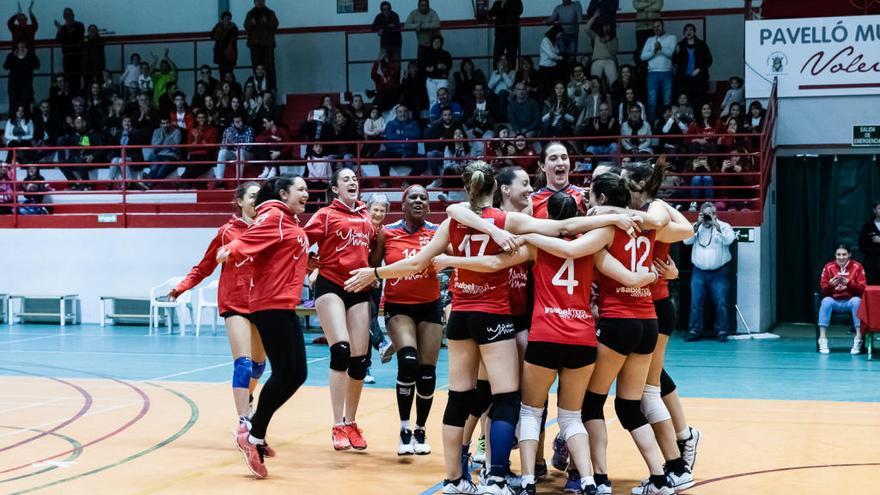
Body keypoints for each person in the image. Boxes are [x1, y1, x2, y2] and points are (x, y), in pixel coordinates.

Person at [435, 190, 657, 495]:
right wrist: (648, 276)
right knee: (572, 416)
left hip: (544, 335)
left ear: (545, 216)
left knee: (529, 411)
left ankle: (527, 481)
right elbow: (628, 277)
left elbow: (490, 264)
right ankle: (590, 482)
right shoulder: (590, 248)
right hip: (581, 338)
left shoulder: (533, 246)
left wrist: (451, 260)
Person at [219, 175, 311, 479]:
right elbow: (251, 236)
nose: (307, 193)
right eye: (301, 189)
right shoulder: (274, 215)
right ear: (283, 194)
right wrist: (233, 247)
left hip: (283, 303)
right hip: (269, 304)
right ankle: (253, 434)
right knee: (286, 373)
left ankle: (255, 430)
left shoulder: (288, 220)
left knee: (297, 374)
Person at [169, 182, 269, 427]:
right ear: (241, 202)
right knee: (243, 364)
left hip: (263, 303)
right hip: (234, 302)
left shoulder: (270, 229)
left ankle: (248, 397)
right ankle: (244, 421)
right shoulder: (226, 231)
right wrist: (182, 287)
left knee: (258, 365)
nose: (257, 201)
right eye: (252, 196)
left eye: (260, 197)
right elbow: (205, 266)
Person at [304, 169, 377, 452]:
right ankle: (336, 424)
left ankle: (351, 422)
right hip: (330, 284)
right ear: (335, 189)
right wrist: (308, 260)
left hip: (359, 288)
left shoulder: (366, 218)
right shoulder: (325, 214)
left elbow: (375, 249)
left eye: (354, 179)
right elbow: (301, 239)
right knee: (341, 351)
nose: (352, 182)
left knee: (359, 361)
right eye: (345, 179)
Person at [366, 185, 443, 454]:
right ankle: (404, 428)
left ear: (429, 205)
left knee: (427, 373)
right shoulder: (387, 233)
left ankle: (421, 430)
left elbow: (449, 261)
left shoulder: (437, 233)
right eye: (414, 197)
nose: (419, 201)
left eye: (424, 197)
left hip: (431, 307)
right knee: (408, 362)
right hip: (399, 307)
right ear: (404, 204)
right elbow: (372, 269)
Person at [683, 202, 736, 342]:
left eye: (710, 214)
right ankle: (694, 331)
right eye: (704, 214)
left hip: (719, 272)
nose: (707, 216)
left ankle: (722, 331)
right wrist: (697, 225)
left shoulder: (724, 226)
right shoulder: (696, 227)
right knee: (695, 303)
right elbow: (686, 241)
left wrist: (716, 226)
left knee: (721, 303)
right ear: (700, 214)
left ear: (715, 214)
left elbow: (729, 240)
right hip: (699, 271)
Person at [817, 245, 867, 354]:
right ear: (835, 255)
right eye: (838, 254)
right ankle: (822, 339)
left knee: (857, 301)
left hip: (850, 301)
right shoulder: (829, 267)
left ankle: (858, 339)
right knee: (825, 301)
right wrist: (830, 285)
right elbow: (823, 292)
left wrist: (849, 283)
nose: (841, 257)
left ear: (849, 255)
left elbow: (863, 290)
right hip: (835, 301)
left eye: (844, 254)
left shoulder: (857, 267)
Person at [639, 19, 676, 123]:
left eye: (658, 26)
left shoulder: (671, 37)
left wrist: (661, 48)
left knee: (667, 101)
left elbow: (671, 53)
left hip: (667, 72)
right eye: (654, 27)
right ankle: (651, 128)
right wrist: (654, 51)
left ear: (663, 26)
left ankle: (667, 126)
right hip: (652, 73)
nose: (656, 28)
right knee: (651, 102)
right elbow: (642, 57)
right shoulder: (649, 40)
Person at [672, 23, 712, 109]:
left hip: (699, 79)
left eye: (690, 30)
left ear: (694, 32)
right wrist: (676, 53)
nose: (688, 32)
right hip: (684, 80)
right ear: (684, 33)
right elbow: (674, 61)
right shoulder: (680, 45)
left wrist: (699, 69)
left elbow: (709, 60)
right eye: (686, 30)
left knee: (699, 102)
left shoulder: (701, 44)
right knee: (685, 102)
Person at [244, 0, 279, 90]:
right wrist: (252, 23)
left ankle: (271, 90)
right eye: (258, 1)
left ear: (264, 2)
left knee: (270, 69)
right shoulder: (250, 14)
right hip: (255, 46)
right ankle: (257, 90)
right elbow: (246, 26)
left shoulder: (270, 13)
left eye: (261, 0)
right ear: (254, 2)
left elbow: (275, 25)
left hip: (267, 46)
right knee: (256, 68)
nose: (260, 2)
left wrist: (266, 22)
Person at [54, 7, 85, 94]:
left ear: (73, 15)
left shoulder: (79, 25)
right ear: (64, 17)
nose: (68, 17)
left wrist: (65, 30)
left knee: (77, 78)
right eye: (66, 15)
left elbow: (77, 37)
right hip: (67, 56)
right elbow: (58, 40)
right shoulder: (62, 28)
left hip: (77, 56)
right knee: (68, 77)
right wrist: (59, 30)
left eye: (70, 15)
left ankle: (77, 94)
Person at [4, 41, 39, 114]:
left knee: (26, 101)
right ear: (17, 46)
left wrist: (27, 57)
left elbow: (37, 65)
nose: (21, 47)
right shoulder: (11, 55)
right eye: (19, 45)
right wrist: (13, 56)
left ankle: (26, 119)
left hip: (26, 83)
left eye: (23, 45)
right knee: (13, 101)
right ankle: (13, 119)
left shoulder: (30, 55)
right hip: (14, 83)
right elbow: (5, 66)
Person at [545, 0, 584, 65]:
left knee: (572, 56)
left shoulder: (576, 5)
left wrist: (581, 21)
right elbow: (552, 19)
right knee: (562, 56)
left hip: (573, 35)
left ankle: (571, 72)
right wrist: (546, 22)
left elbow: (580, 19)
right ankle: (563, 73)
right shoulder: (558, 8)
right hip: (562, 36)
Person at [488, 0, 523, 68]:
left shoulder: (516, 2)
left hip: (512, 35)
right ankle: (497, 73)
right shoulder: (497, 3)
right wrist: (501, 6)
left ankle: (511, 73)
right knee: (497, 55)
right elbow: (490, 13)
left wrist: (503, 7)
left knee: (512, 56)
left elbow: (519, 11)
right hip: (500, 35)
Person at [422, 35, 452, 108]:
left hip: (442, 79)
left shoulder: (445, 54)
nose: (437, 43)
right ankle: (434, 118)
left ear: (441, 43)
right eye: (435, 41)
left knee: (443, 99)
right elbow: (422, 65)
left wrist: (443, 66)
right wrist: (427, 69)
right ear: (432, 43)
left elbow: (449, 65)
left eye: (439, 42)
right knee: (433, 100)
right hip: (431, 79)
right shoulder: (426, 54)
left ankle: (445, 117)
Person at [538, 25, 564, 97]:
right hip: (545, 68)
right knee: (547, 88)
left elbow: (557, 51)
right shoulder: (545, 40)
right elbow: (551, 55)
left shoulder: (553, 41)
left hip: (552, 67)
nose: (560, 36)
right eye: (559, 34)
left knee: (553, 87)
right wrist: (559, 58)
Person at [858, 202, 880, 285]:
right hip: (871, 265)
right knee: (872, 290)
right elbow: (862, 246)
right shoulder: (867, 227)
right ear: (874, 210)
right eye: (879, 208)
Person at [211, 11, 239, 76]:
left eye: (228, 18)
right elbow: (212, 35)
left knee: (229, 72)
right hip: (221, 53)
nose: (227, 19)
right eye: (226, 18)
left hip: (229, 53)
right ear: (222, 18)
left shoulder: (233, 28)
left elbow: (233, 38)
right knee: (222, 73)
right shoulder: (219, 26)